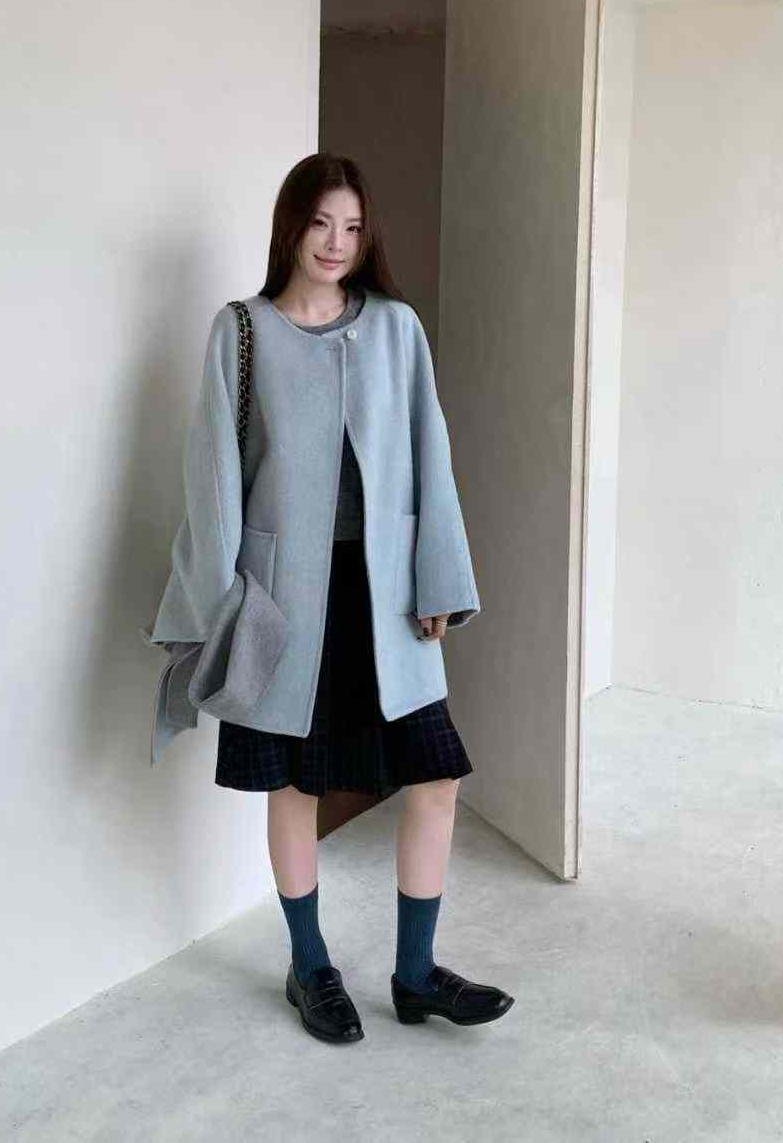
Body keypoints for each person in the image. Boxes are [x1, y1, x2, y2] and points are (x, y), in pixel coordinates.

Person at [155, 152, 514, 1044]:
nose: (336, 243)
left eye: (352, 227)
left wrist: (440, 579)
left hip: (386, 596)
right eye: (321, 223)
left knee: (435, 774)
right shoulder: (243, 331)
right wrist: (215, 607)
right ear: (292, 225)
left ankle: (416, 973)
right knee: (296, 784)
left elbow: (431, 454)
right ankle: (310, 965)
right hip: (285, 601)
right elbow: (213, 475)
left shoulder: (395, 327)